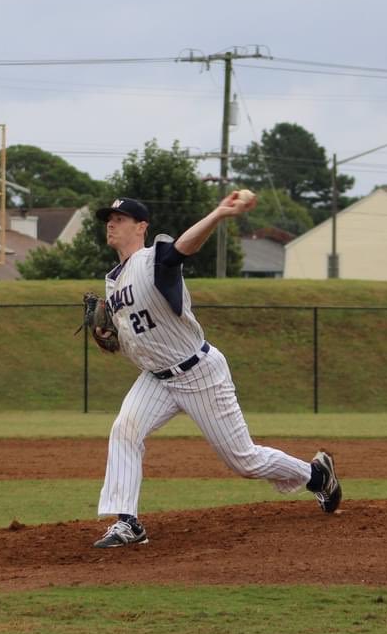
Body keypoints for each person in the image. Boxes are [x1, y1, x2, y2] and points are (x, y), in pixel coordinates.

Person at [90, 193, 342, 549]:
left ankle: (317, 474)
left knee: (244, 460)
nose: (111, 224)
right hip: (156, 378)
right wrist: (114, 334)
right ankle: (127, 523)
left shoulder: (152, 260)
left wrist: (219, 214)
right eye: (109, 218)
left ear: (141, 226)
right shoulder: (113, 282)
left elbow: (181, 249)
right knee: (125, 430)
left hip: (198, 373)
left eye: (120, 218)